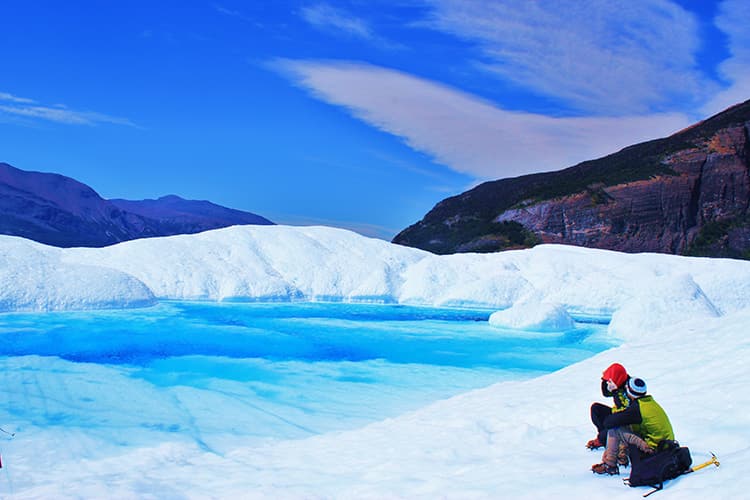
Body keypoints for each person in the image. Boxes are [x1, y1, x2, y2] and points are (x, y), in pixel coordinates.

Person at [591, 377, 675, 475]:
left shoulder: (637, 409)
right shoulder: (649, 402)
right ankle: (620, 455)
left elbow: (609, 422)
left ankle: (609, 465)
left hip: (654, 449)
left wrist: (615, 392)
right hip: (666, 445)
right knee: (624, 427)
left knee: (615, 429)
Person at [587, 363, 631, 451]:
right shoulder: (620, 383)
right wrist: (604, 380)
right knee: (596, 408)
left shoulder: (629, 388)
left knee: (608, 425)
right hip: (616, 414)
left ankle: (606, 438)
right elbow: (606, 393)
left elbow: (624, 410)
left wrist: (615, 391)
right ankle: (604, 436)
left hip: (625, 420)